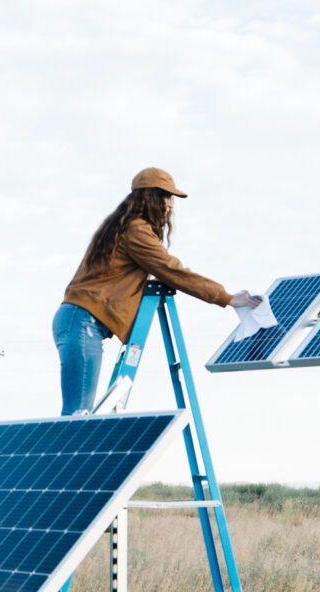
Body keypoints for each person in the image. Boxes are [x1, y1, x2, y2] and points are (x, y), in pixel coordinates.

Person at [52, 167, 262, 414]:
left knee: (77, 414)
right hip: (83, 321)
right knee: (78, 415)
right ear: (150, 198)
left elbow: (167, 269)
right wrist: (227, 298)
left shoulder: (121, 226)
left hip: (78, 320)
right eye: (166, 197)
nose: (171, 205)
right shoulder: (136, 230)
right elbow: (171, 270)